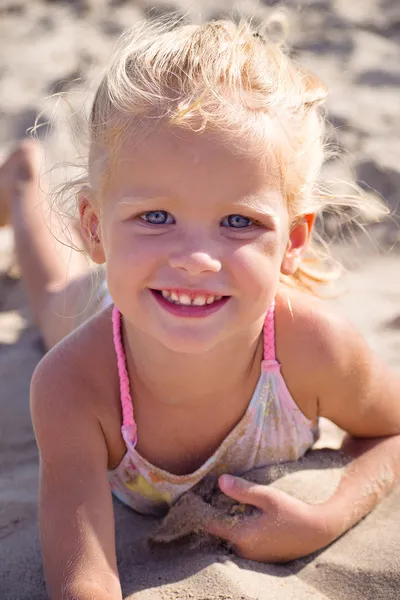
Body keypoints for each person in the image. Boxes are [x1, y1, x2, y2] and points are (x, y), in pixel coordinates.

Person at [1, 16, 400, 600]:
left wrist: (327, 517)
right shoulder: (72, 386)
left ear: (291, 242)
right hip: (109, 310)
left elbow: (391, 432)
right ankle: (21, 183)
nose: (195, 259)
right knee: (52, 300)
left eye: (239, 221)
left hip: (147, 289)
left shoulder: (313, 348)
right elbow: (84, 578)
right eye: (155, 217)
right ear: (94, 226)